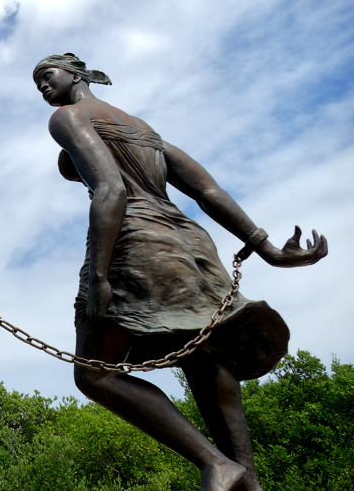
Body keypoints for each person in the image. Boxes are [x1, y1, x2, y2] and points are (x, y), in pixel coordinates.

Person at [33, 53, 328, 491]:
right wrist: (264, 246)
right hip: (190, 244)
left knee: (94, 373)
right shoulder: (145, 130)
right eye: (36, 82)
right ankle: (248, 480)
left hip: (137, 241)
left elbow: (111, 188)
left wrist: (99, 276)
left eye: (46, 75)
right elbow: (207, 190)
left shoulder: (68, 117)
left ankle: (216, 463)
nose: (41, 86)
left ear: (75, 73)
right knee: (202, 354)